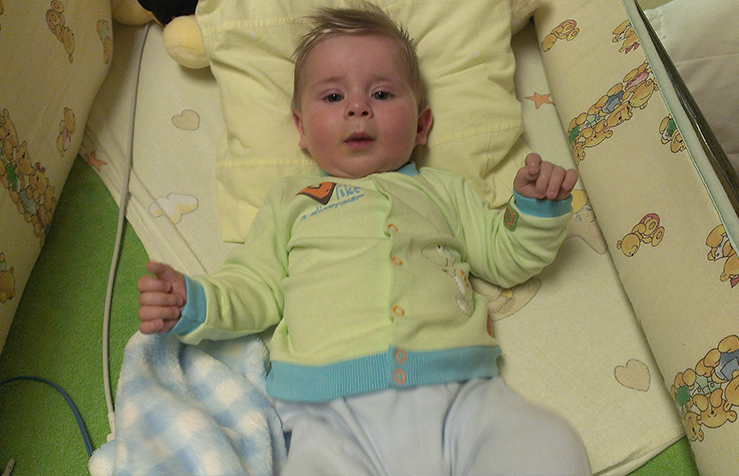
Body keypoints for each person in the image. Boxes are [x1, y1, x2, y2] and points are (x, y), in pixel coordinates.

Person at [137, 4, 591, 475]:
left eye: (381, 93)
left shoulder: (444, 190)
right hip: (331, 415)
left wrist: (535, 209)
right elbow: (255, 284)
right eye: (333, 96)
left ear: (421, 125)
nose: (358, 107)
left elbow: (504, 257)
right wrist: (195, 301)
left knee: (549, 443)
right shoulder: (291, 200)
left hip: (462, 393)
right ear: (301, 128)